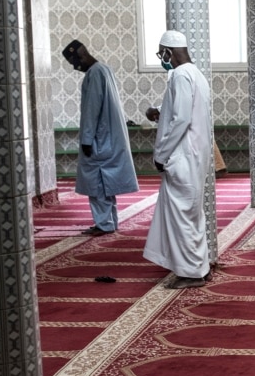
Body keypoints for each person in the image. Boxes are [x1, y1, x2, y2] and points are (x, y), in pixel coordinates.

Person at [143, 30, 213, 289]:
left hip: (183, 155)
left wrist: (161, 155)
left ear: (168, 52)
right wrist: (160, 112)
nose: (162, 58)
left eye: (162, 53)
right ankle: (199, 267)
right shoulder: (194, 74)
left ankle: (190, 274)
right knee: (191, 213)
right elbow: (183, 109)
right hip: (193, 154)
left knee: (182, 215)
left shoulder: (180, 75)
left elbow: (181, 118)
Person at [62, 40, 139, 236]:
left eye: (74, 63)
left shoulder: (94, 73)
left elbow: (91, 109)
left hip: (99, 138)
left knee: (96, 183)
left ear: (80, 57)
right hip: (109, 136)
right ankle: (109, 222)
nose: (75, 68)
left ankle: (104, 224)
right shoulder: (104, 69)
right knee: (106, 183)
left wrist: (87, 139)